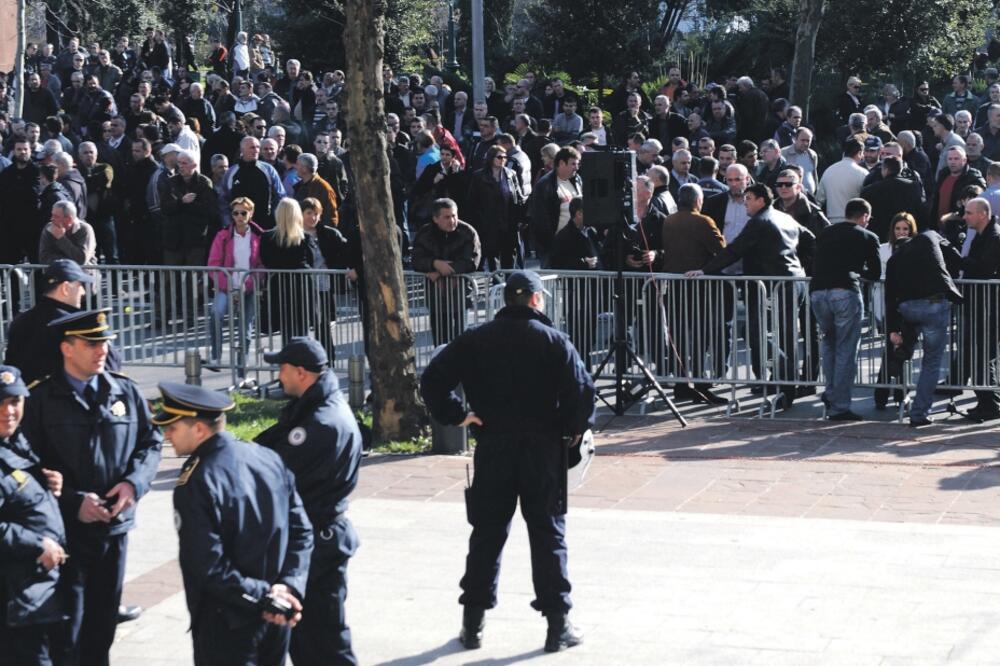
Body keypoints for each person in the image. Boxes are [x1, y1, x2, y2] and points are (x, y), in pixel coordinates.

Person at [420, 270, 594, 653]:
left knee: (486, 534)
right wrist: (570, 430)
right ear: (535, 299)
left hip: (494, 444)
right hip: (542, 449)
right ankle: (557, 623)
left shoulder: (476, 340)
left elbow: (432, 379)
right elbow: (582, 394)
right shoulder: (554, 341)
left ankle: (473, 623)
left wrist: (457, 414)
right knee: (547, 534)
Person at [21, 309, 163, 666]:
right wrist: (72, 501)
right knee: (68, 632)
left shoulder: (125, 391)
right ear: (67, 349)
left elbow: (151, 441)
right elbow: (24, 467)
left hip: (113, 531)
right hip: (65, 534)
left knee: (102, 629)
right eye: (91, 343)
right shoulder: (39, 400)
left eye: (104, 342)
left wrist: (133, 485)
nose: (102, 350)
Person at [155, 382, 313, 666]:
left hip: (227, 621)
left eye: (174, 427)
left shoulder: (197, 480)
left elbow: (206, 564)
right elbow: (301, 531)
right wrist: (287, 587)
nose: (167, 435)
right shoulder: (267, 457)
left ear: (199, 430)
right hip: (276, 616)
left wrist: (264, 597)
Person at [255, 338, 362, 665]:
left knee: (325, 646)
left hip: (318, 546)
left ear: (301, 373)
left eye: (283, 369)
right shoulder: (316, 406)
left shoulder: (319, 424)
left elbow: (274, 472)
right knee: (307, 643)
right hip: (317, 540)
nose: (279, 376)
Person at [687, 184, 815, 407]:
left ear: (761, 200)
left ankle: (787, 385)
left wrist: (705, 270)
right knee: (781, 336)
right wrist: (799, 266)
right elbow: (809, 239)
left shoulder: (760, 221)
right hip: (792, 280)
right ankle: (786, 384)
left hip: (775, 284)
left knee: (766, 334)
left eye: (749, 197)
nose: (745, 201)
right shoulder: (783, 217)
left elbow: (735, 249)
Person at [0, 364, 68, 666]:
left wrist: (46, 486)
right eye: (0, 403)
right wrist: (37, 544)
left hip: (33, 596)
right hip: (12, 600)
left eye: (14, 401)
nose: (8, 411)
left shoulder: (17, 443)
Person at [809, 199, 882, 420]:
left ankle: (831, 393)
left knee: (829, 344)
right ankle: (840, 405)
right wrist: (861, 273)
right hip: (845, 291)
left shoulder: (826, 232)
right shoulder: (868, 236)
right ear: (865, 216)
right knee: (846, 350)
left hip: (818, 291)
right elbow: (875, 272)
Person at [884, 230, 964, 426]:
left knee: (910, 322)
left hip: (908, 306)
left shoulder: (894, 261)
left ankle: (907, 347)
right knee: (931, 361)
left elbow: (890, 296)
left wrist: (892, 329)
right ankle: (919, 413)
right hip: (934, 303)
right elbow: (955, 255)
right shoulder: (929, 237)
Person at [660, 183, 727, 403]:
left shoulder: (669, 221)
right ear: (698, 201)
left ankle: (682, 385)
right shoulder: (703, 221)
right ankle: (700, 383)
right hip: (699, 288)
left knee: (680, 337)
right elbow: (721, 249)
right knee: (701, 335)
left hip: (676, 286)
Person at [4, 260, 93, 384]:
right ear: (65, 288)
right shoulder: (73, 324)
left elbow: (11, 368)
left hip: (23, 398)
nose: (83, 292)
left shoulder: (20, 321)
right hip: (61, 398)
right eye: (79, 285)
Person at [952, 198, 1000, 421]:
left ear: (983, 214)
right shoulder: (984, 236)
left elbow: (984, 268)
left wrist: (957, 260)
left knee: (984, 354)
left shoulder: (994, 237)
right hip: (980, 302)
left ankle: (989, 403)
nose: (965, 216)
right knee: (979, 353)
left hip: (989, 304)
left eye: (969, 213)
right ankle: (986, 402)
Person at [410, 198, 482, 346]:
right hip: (436, 297)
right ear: (436, 219)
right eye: (447, 217)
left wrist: (444, 270)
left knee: (460, 341)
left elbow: (471, 261)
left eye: (454, 216)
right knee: (440, 343)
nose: (452, 220)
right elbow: (416, 260)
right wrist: (434, 263)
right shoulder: (425, 234)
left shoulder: (468, 232)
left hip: (460, 295)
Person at [206, 197, 264, 369]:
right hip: (226, 287)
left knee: (245, 326)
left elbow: (261, 265)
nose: (239, 216)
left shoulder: (259, 236)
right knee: (216, 312)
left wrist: (250, 284)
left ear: (251, 213)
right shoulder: (223, 235)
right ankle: (216, 356)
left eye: (243, 212)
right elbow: (213, 264)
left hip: (249, 287)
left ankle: (242, 364)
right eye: (235, 213)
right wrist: (228, 286)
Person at [873, 213, 918, 409]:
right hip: (886, 304)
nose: (901, 233)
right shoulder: (883, 249)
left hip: (908, 305)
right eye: (898, 229)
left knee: (901, 349)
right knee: (893, 346)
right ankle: (891, 393)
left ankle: (886, 393)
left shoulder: (917, 250)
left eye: (905, 229)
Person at [260, 198, 317, 342]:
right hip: (302, 287)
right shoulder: (305, 238)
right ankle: (301, 362)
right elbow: (311, 261)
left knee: (286, 330)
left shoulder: (267, 238)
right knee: (302, 329)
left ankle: (288, 362)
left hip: (279, 287)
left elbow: (266, 261)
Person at [465, 144, 525, 270]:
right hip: (488, 224)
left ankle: (509, 284)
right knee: (492, 257)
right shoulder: (479, 176)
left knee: (509, 256)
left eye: (505, 157)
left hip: (508, 223)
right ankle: (496, 285)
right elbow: (472, 202)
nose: (503, 159)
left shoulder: (511, 174)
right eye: (499, 157)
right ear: (491, 158)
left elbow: (518, 197)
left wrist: (520, 218)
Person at [817, 139, 869, 223]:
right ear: (859, 153)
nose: (863, 157)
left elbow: (818, 200)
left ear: (844, 152)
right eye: (862, 153)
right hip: (855, 223)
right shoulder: (863, 173)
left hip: (832, 223)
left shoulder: (829, 171)